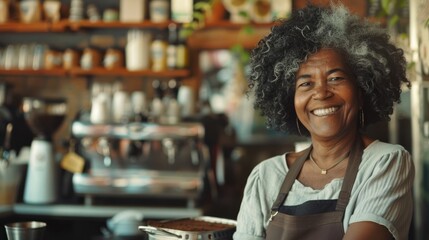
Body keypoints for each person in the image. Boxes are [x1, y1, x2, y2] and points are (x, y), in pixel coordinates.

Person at [233, 4, 414, 240]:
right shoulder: (267, 176)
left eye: (335, 78)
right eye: (306, 83)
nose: (321, 93)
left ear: (361, 91)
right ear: (291, 100)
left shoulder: (384, 163)